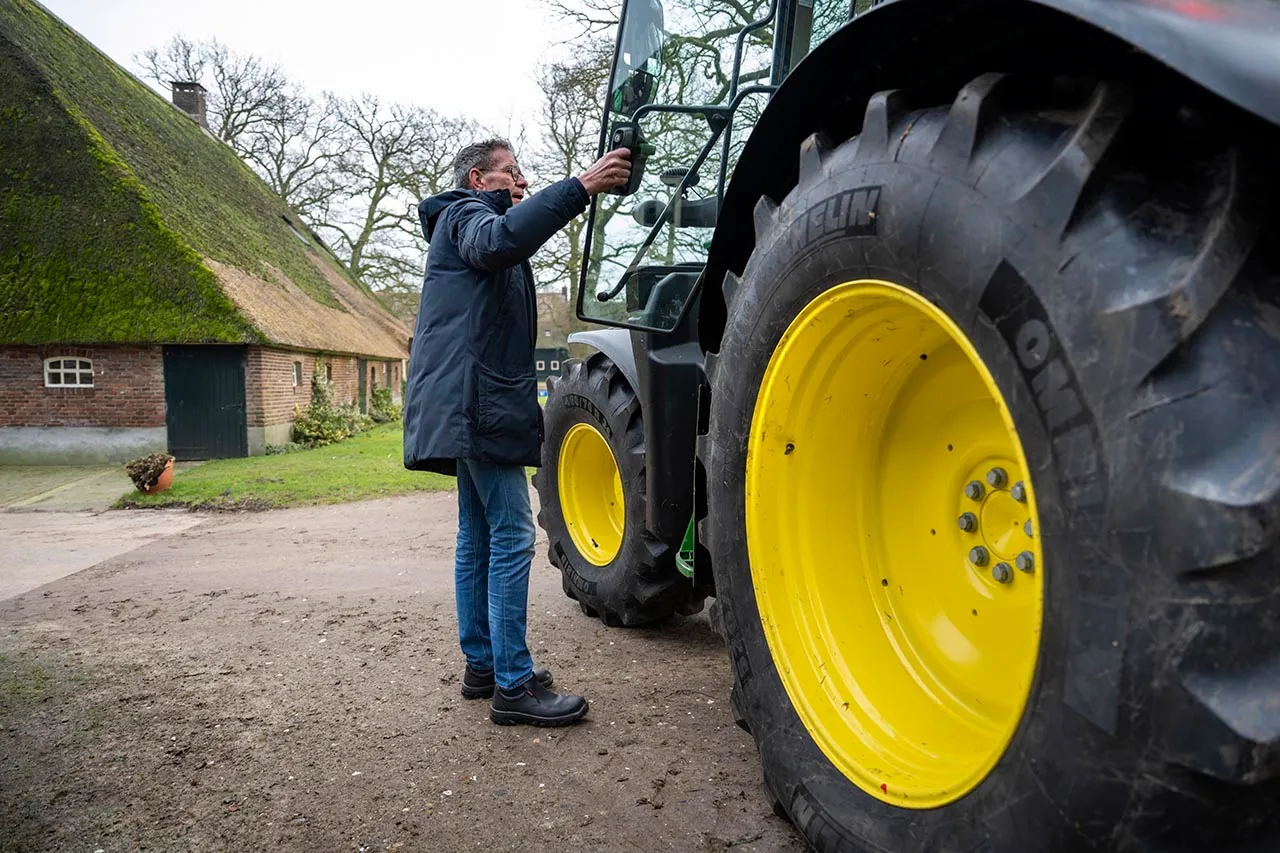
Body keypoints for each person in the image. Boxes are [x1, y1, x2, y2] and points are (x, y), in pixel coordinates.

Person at [402, 138, 631, 726]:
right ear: (478, 179)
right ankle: (513, 683)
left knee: (478, 533)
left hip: (466, 402)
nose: (522, 180)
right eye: (511, 171)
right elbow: (501, 241)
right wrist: (581, 186)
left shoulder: (462, 222)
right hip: (478, 404)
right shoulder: (466, 215)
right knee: (510, 533)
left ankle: (484, 665)